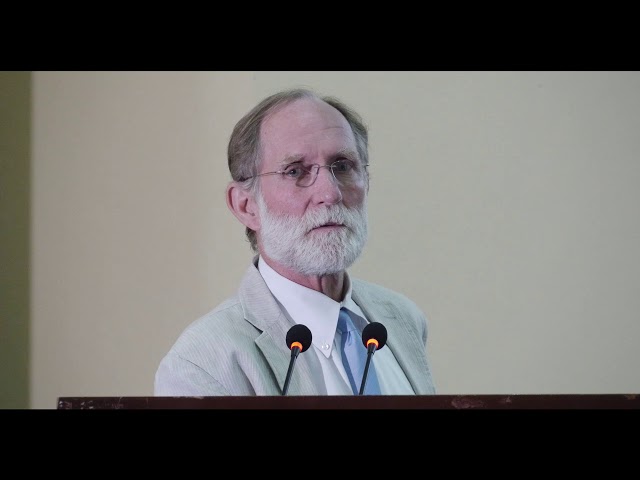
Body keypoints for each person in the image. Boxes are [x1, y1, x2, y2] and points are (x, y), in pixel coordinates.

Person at [154, 87, 436, 396]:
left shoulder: (402, 318)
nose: (330, 193)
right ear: (246, 206)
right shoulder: (201, 364)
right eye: (295, 171)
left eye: (342, 166)